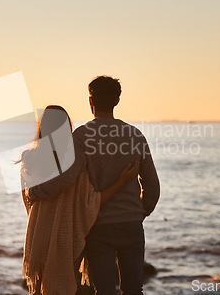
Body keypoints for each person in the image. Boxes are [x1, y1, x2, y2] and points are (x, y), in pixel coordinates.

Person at [28, 76, 160, 295]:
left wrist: (38, 190)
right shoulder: (136, 136)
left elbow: (68, 176)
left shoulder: (82, 136)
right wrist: (139, 212)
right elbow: (152, 186)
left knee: (105, 290)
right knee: (134, 289)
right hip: (131, 225)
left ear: (91, 101)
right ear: (117, 100)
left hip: (99, 225)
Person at [20, 105, 139, 294]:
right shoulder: (75, 162)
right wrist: (121, 181)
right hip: (67, 237)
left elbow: (29, 204)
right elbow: (93, 202)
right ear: (68, 129)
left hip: (38, 235)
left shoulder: (29, 160)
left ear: (41, 128)